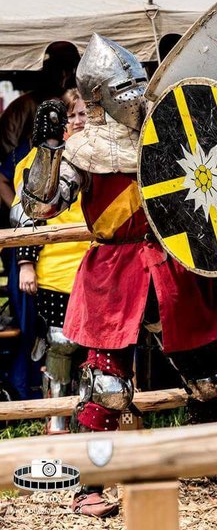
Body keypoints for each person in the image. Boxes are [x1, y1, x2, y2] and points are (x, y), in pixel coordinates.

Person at [20, 34, 217, 518]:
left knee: (209, 377)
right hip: (113, 270)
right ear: (97, 96)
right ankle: (89, 484)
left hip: (170, 262)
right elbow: (37, 207)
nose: (135, 94)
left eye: (138, 82)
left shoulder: (167, 131)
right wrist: (51, 150)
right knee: (105, 386)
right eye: (124, 86)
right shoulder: (82, 149)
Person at [12, 86, 90, 434]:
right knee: (60, 343)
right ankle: (57, 420)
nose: (77, 120)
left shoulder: (103, 155)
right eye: (71, 115)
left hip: (99, 265)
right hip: (57, 267)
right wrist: (25, 262)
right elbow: (25, 216)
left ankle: (91, 419)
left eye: (83, 113)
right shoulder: (35, 162)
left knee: (98, 344)